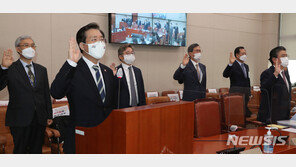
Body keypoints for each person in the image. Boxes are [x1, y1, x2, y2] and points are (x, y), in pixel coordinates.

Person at [50, 23, 116, 153]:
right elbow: (56, 92)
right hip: (81, 137)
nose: (100, 42)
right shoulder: (73, 69)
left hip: (107, 136)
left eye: (101, 39)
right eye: (94, 39)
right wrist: (70, 63)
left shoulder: (107, 71)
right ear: (82, 46)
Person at [0, 35, 52, 153]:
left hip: (39, 118)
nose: (31, 48)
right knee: (21, 151)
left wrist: (49, 114)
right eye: (26, 45)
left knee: (36, 150)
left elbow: (45, 93)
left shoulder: (41, 70)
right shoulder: (10, 68)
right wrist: (3, 68)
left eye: (33, 45)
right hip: (19, 118)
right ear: (18, 49)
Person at [257, 46, 291, 123]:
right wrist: (275, 74)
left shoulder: (285, 72)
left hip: (285, 115)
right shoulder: (267, 73)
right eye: (283, 56)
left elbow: (287, 92)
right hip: (271, 116)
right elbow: (265, 88)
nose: (286, 58)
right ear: (274, 59)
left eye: (286, 56)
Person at [223, 46, 252, 117]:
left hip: (246, 92)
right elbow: (225, 74)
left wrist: (249, 92)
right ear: (237, 55)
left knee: (244, 113)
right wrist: (230, 64)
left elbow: (248, 79)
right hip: (236, 91)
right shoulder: (233, 64)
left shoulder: (246, 66)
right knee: (236, 113)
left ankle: (244, 127)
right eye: (242, 54)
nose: (245, 55)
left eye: (245, 53)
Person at [114, 44, 146, 109]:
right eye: (127, 53)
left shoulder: (138, 71)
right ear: (120, 57)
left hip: (138, 107)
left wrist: (143, 106)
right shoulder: (116, 71)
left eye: (132, 53)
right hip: (123, 108)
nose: (131, 55)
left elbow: (141, 91)